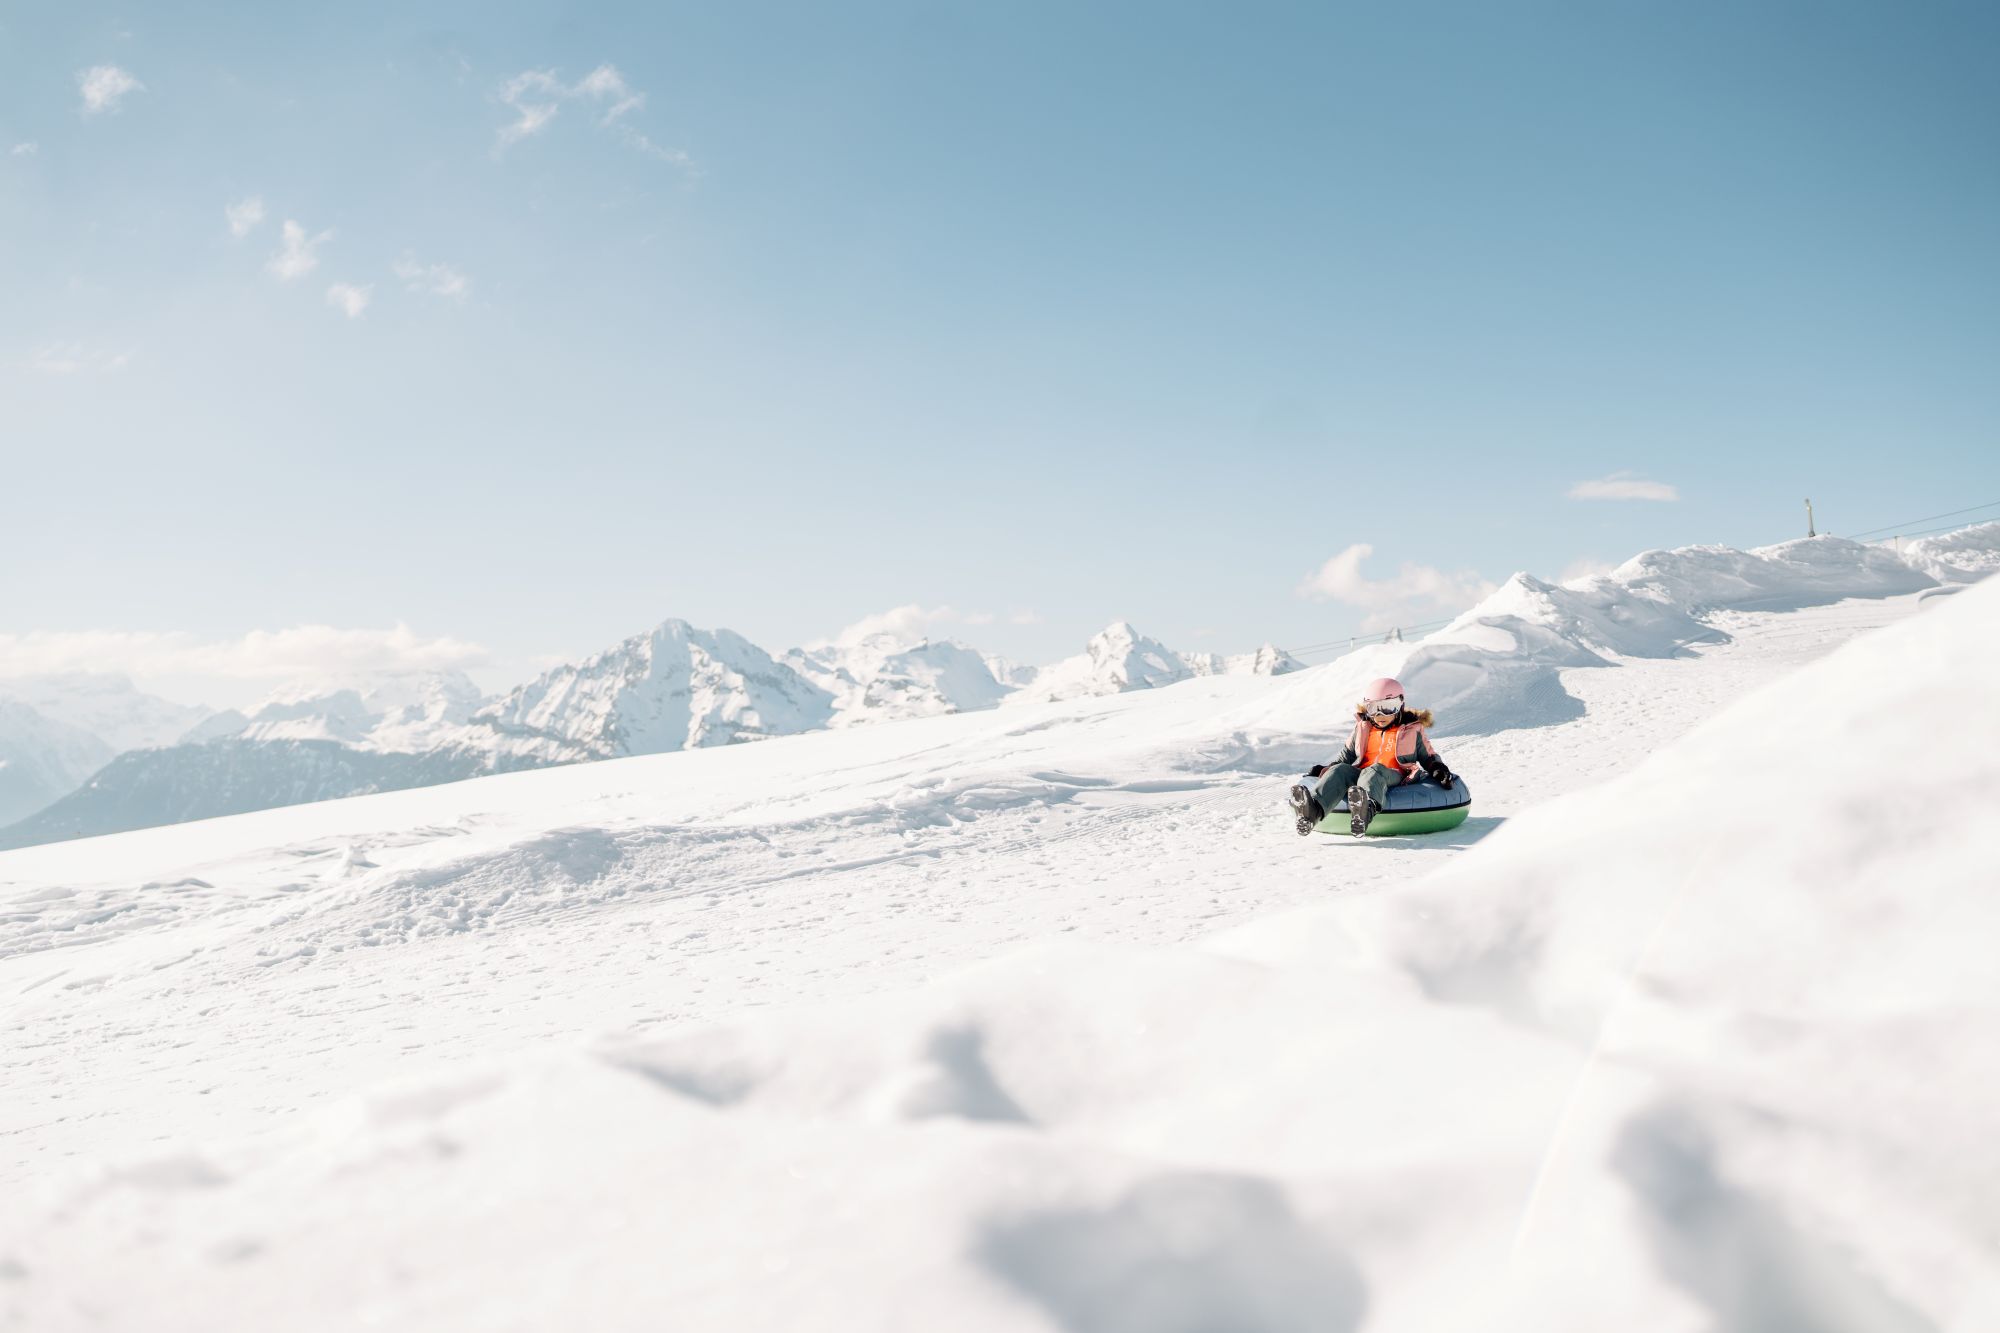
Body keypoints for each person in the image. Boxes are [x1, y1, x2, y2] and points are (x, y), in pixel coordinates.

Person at [1289, 676, 1456, 836]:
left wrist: (1437, 768)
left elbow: (1429, 756)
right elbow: (1345, 756)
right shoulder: (1362, 728)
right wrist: (1324, 770)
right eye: (1373, 708)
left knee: (1374, 770)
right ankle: (1312, 813)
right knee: (1341, 770)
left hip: (1394, 774)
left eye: (1387, 707)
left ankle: (1364, 810)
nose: (1380, 715)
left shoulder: (1412, 730)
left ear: (1400, 704)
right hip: (1362, 773)